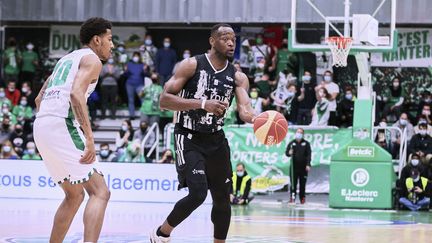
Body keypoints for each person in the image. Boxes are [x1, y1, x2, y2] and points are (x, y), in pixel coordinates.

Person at [151, 23, 256, 243]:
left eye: (233, 39)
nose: (230, 42)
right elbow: (164, 100)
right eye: (225, 37)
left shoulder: (238, 77)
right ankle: (162, 233)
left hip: (216, 140)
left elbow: (245, 110)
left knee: (222, 199)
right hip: (188, 136)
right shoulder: (191, 65)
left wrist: (262, 120)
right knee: (198, 194)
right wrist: (202, 103)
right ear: (212, 41)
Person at [33, 17, 112, 243]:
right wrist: (89, 138)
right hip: (62, 123)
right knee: (100, 192)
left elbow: (39, 98)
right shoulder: (92, 59)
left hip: (42, 126)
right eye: (109, 39)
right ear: (97, 40)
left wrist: (51, 122)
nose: (112, 45)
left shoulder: (65, 60)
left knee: (74, 195)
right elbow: (77, 94)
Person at [286, 128, 312, 204]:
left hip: (303, 168)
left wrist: (308, 164)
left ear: (303, 134)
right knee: (293, 184)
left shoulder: (306, 144)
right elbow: (286, 153)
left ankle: (302, 198)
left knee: (302, 184)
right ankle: (292, 197)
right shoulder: (292, 143)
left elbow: (309, 155)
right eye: (298, 132)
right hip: (294, 167)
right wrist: (289, 153)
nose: (299, 134)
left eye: (300, 133)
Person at [124, 51, 145, 119]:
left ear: (139, 57)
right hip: (130, 84)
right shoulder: (129, 64)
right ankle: (132, 115)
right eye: (134, 56)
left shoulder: (142, 65)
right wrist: (126, 71)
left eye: (137, 56)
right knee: (131, 100)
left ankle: (144, 115)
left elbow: (146, 75)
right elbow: (125, 75)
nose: (136, 57)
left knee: (142, 100)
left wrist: (145, 70)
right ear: (132, 57)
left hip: (140, 84)